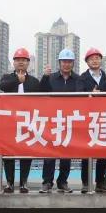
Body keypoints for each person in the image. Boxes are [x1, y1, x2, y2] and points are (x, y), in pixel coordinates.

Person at [0, 47, 42, 193]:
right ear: (14, 62)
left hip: (28, 121)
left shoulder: (34, 81)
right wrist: (18, 80)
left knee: (26, 152)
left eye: (24, 60)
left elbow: (41, 98)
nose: (21, 62)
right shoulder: (7, 77)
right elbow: (3, 87)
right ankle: (9, 183)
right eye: (18, 60)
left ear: (28, 63)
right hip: (9, 121)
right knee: (8, 153)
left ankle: (24, 182)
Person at [40, 48, 78, 193]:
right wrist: (44, 77)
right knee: (49, 154)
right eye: (64, 62)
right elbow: (41, 92)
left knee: (66, 154)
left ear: (73, 63)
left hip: (69, 121)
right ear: (59, 63)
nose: (66, 64)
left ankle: (62, 182)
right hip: (52, 120)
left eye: (69, 62)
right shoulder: (51, 78)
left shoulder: (78, 79)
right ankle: (47, 182)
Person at [76, 46, 106, 192]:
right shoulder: (82, 78)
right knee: (86, 152)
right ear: (87, 62)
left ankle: (100, 182)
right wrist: (90, 94)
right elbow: (78, 95)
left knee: (103, 151)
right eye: (91, 59)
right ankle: (85, 182)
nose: (95, 61)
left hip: (103, 118)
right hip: (87, 119)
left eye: (97, 58)